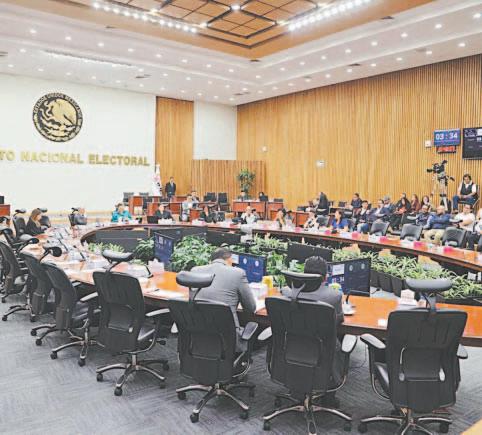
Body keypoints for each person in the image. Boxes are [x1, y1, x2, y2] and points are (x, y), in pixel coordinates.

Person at [280, 256, 344, 385]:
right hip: (322, 348)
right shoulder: (334, 296)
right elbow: (338, 319)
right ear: (325, 277)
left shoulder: (286, 292)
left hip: (292, 344)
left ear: (304, 274)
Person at [191, 248, 256, 351]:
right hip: (227, 339)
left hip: (197, 336)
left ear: (211, 260)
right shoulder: (238, 273)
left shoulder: (195, 271)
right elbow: (251, 308)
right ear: (229, 259)